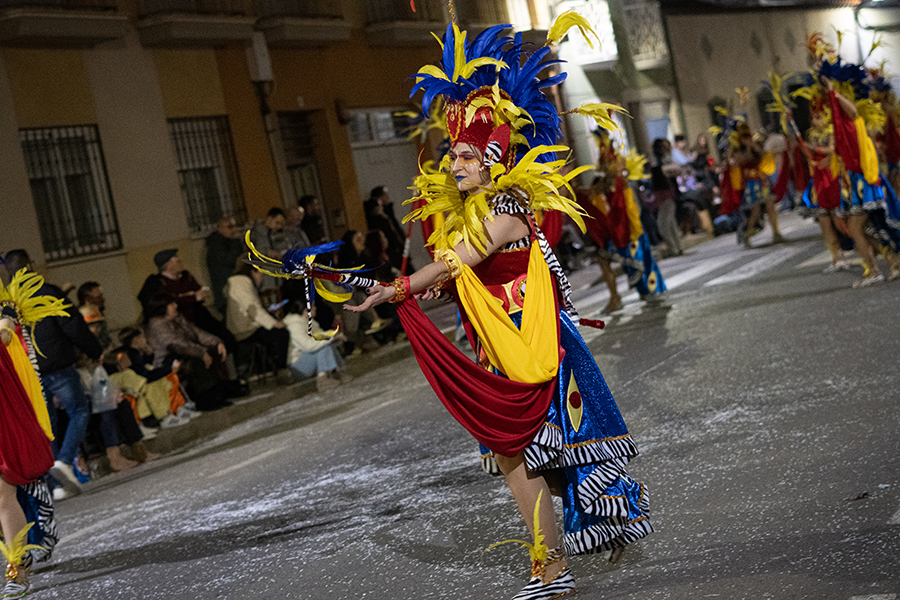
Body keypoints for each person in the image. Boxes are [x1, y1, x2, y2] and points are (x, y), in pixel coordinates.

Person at [338, 21, 652, 599]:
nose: (450, 165)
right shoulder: (474, 209)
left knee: (531, 461)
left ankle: (553, 567)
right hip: (498, 348)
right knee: (519, 462)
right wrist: (439, 287)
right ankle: (554, 564)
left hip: (535, 348)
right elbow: (465, 271)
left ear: (488, 159)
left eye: (461, 156)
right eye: (449, 155)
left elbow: (459, 260)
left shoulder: (504, 206)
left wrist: (400, 288)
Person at [4, 250, 102, 497]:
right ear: (31, 265)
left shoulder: (7, 303)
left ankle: (57, 485)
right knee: (78, 410)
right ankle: (64, 462)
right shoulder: (46, 292)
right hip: (57, 365)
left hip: (29, 373)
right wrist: (93, 349)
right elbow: (73, 325)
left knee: (46, 425)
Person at [0, 267, 66, 597]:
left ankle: (17, 569)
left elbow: (7, 332)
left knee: (3, 491)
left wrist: (7, 322)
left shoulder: (4, 310)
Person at [144, 294, 231, 411]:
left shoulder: (178, 319)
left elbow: (197, 333)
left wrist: (217, 342)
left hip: (183, 354)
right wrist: (201, 352)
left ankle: (216, 394)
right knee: (195, 362)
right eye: (171, 304)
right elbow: (176, 345)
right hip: (167, 361)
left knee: (203, 357)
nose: (175, 305)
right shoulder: (157, 324)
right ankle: (206, 399)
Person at [224, 262, 292, 384]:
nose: (262, 278)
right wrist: (273, 323)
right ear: (253, 272)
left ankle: (280, 367)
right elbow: (253, 309)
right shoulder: (242, 283)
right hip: (245, 329)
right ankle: (282, 370)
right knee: (281, 334)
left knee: (276, 335)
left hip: (244, 327)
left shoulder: (239, 283)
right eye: (262, 274)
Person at [727, 122, 784, 247]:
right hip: (750, 183)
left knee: (770, 207)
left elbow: (763, 158)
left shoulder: (755, 146)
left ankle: (776, 232)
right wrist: (745, 148)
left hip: (761, 180)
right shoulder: (737, 150)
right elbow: (738, 162)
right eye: (744, 137)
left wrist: (753, 145)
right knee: (756, 211)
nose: (747, 139)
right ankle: (747, 236)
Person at [282, 303, 342, 392]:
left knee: (328, 345)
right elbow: (308, 345)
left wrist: (335, 336)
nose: (315, 308)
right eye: (313, 306)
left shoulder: (312, 323)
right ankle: (322, 378)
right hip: (298, 367)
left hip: (309, 361)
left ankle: (335, 372)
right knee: (323, 346)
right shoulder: (295, 325)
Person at [205, 216, 246, 315]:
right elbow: (228, 260)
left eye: (233, 227)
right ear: (220, 228)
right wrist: (235, 241)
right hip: (224, 290)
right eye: (229, 227)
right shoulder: (216, 244)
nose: (233, 230)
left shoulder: (226, 241)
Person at [650, 138, 684, 255]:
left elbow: (676, 169)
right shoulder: (656, 160)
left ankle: (674, 248)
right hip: (663, 195)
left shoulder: (665, 161)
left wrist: (668, 171)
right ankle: (676, 248)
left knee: (664, 225)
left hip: (666, 195)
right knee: (670, 224)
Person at [364, 186, 408, 271]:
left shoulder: (388, 213)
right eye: (385, 195)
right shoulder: (376, 220)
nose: (387, 198)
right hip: (392, 254)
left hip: (400, 251)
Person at [76, 281, 111, 349]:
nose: (103, 299)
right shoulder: (80, 318)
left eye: (102, 296)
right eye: (98, 297)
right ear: (87, 300)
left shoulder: (99, 313)